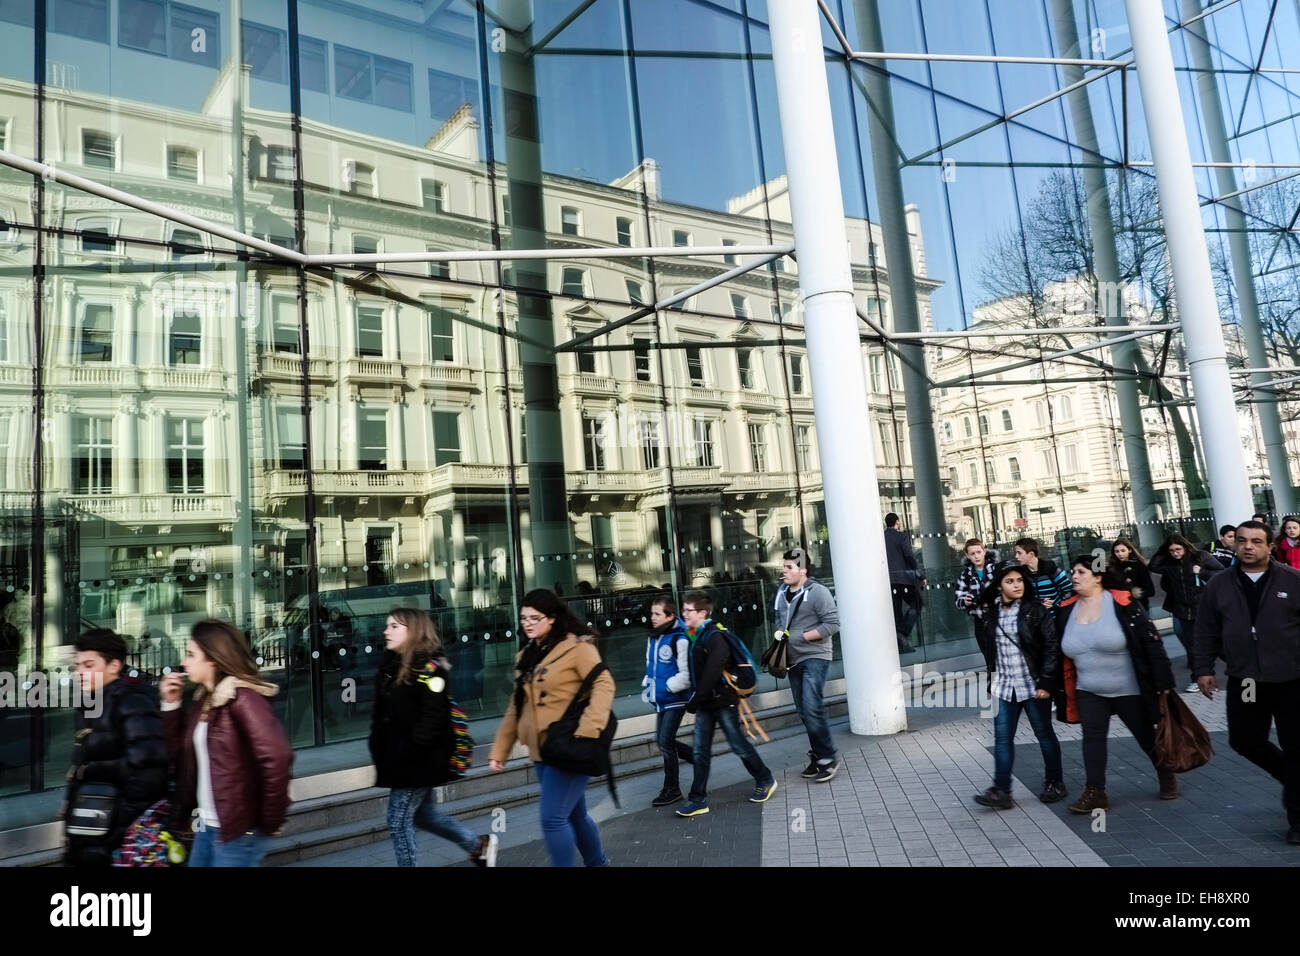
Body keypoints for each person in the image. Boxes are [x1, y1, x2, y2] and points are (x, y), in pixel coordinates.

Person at [1193, 520, 1300, 846]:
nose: (1248, 546)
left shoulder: (1293, 581)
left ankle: (1298, 820)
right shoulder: (1219, 584)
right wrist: (1203, 667)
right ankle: (1294, 781)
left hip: (1291, 678)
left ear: (1270, 546)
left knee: (1297, 749)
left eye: (1256, 541)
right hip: (1246, 679)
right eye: (1242, 541)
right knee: (1244, 740)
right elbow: (1205, 628)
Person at [489, 589, 613, 867]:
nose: (528, 623)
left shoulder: (578, 648)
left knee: (552, 818)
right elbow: (516, 704)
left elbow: (604, 684)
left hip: (571, 744)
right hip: (542, 750)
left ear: (553, 618)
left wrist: (588, 728)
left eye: (535, 618)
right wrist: (500, 748)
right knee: (574, 815)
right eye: (524, 618)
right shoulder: (527, 655)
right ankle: (599, 863)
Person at [160, 620, 294, 867]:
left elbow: (278, 757)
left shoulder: (243, 697)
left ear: (213, 658)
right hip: (207, 825)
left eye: (191, 655)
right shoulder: (205, 701)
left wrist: (269, 820)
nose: (184, 662)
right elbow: (180, 758)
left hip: (238, 830)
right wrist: (171, 704)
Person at [370, 607, 497, 867]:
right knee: (424, 815)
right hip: (399, 757)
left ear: (413, 630)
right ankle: (478, 846)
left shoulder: (430, 668)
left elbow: (433, 717)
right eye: (387, 625)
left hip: (418, 760)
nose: (386, 631)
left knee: (397, 820)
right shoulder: (390, 665)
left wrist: (411, 750)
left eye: (394, 626)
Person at [1057, 556, 1177, 813]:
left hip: (1129, 689)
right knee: (1092, 739)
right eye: (1073, 572)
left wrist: (1164, 681)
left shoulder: (1123, 603)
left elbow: (1151, 642)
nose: (1074, 577)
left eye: (1080, 572)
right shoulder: (1066, 608)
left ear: (1098, 576)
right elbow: (1057, 652)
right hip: (1088, 690)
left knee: (1146, 736)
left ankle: (1165, 772)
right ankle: (1095, 791)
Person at [62, 629, 168, 866]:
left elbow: (148, 776)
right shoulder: (95, 704)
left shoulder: (132, 702)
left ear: (114, 665)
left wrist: (113, 828)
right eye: (77, 665)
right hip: (92, 836)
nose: (80, 672)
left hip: (113, 842)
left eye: (89, 665)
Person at [971, 564, 1065, 809]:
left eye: (1020, 580)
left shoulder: (1035, 610)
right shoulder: (991, 614)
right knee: (1002, 739)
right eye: (1010, 581)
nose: (1017, 585)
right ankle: (1002, 790)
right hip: (1003, 686)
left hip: (1032, 685)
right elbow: (991, 651)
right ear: (1000, 585)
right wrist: (991, 682)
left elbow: (1051, 647)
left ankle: (1055, 782)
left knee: (1044, 735)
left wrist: (1046, 681)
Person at [675, 590, 776, 817]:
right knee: (700, 751)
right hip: (706, 704)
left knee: (738, 744)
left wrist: (695, 699)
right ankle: (698, 799)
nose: (685, 614)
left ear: (703, 612)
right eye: (684, 610)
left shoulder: (714, 637)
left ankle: (765, 778)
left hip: (723, 702)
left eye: (688, 610)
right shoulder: (695, 636)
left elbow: (712, 671)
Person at [774, 547, 841, 782]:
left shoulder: (818, 592)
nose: (784, 571)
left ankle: (828, 758)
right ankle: (818, 755)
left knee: (812, 706)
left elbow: (832, 624)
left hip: (815, 656)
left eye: (789, 567)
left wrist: (801, 636)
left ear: (803, 570)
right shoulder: (781, 593)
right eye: (784, 566)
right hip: (792, 660)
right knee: (804, 711)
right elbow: (779, 620)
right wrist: (779, 635)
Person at [1149, 533, 1224, 692]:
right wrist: (1163, 550)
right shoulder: (1170, 564)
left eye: (1178, 549)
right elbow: (1153, 566)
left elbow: (1221, 573)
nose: (1175, 553)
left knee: (1217, 643)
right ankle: (1198, 679)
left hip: (1204, 608)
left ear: (1185, 547)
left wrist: (1202, 572)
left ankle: (1239, 672)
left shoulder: (1200, 557)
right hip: (1183, 610)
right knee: (1193, 646)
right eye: (1171, 550)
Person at [642, 593, 694, 807]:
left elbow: (686, 675)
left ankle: (672, 789)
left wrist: (666, 687)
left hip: (675, 699)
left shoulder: (680, 639)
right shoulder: (654, 636)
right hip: (661, 699)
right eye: (652, 613)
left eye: (657, 614)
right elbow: (650, 665)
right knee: (664, 741)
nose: (652, 617)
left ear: (670, 615)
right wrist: (647, 684)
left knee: (665, 742)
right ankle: (698, 757)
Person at [885, 513, 925, 652]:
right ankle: (903, 630)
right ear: (897, 522)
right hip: (902, 580)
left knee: (896, 612)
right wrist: (919, 574)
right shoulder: (901, 536)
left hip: (887, 581)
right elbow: (909, 556)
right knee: (918, 603)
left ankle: (900, 646)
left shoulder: (881, 537)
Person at [955, 538, 1003, 636]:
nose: (976, 556)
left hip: (1000, 615)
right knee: (986, 648)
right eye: (972, 554)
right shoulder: (966, 574)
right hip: (980, 619)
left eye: (978, 552)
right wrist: (965, 601)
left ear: (984, 551)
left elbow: (1008, 591)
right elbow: (958, 599)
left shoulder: (997, 569)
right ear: (967, 556)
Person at [1013, 538, 1073, 609]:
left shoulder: (1051, 568)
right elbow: (1022, 598)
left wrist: (1057, 605)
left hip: (1056, 617)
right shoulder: (1022, 574)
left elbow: (1069, 590)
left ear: (1031, 554)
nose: (1016, 556)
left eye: (1019, 553)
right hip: (1035, 618)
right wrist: (1036, 603)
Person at [1109, 538, 1155, 611]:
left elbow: (1151, 591)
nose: (1120, 554)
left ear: (1129, 550)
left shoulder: (1139, 566)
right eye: (1116, 551)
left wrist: (1136, 593)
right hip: (1120, 608)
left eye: (1123, 551)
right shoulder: (1112, 568)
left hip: (1139, 608)